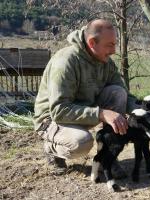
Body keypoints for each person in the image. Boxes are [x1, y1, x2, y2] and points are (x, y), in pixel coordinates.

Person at [34, 19, 138, 176]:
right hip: (52, 119)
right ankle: (52, 148)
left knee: (118, 92)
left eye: (114, 44)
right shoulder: (66, 62)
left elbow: (123, 93)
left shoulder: (105, 62)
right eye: (109, 45)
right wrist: (101, 114)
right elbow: (59, 110)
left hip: (84, 111)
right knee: (81, 142)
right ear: (91, 42)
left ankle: (107, 158)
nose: (114, 50)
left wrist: (142, 109)